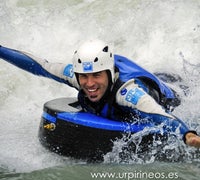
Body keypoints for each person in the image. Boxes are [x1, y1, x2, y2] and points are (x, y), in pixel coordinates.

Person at [0, 39, 199, 148]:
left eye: (96, 76)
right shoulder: (75, 75)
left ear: (109, 73)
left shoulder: (128, 93)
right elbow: (40, 66)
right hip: (153, 78)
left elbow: (159, 114)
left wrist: (188, 134)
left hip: (176, 90)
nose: (89, 83)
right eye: (84, 77)